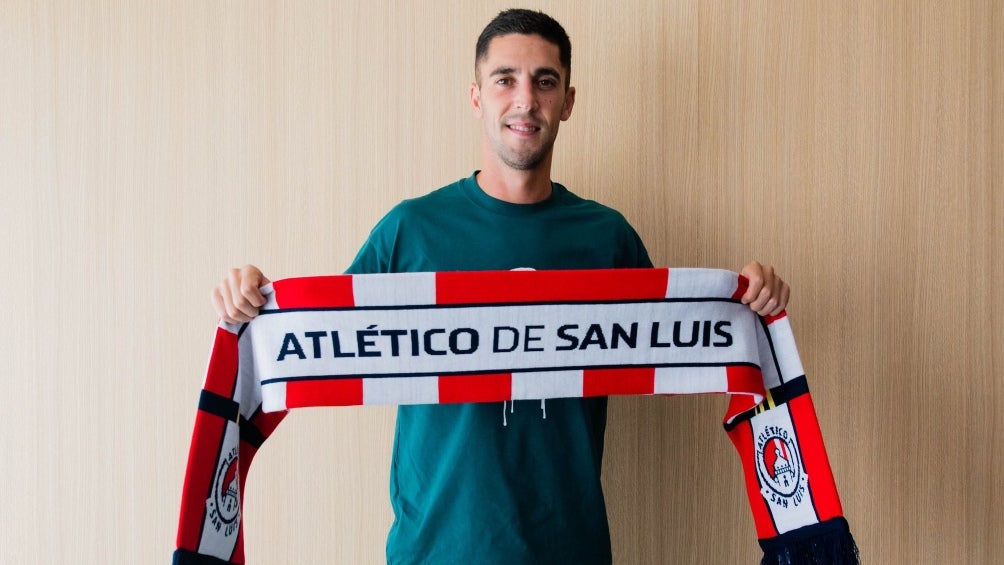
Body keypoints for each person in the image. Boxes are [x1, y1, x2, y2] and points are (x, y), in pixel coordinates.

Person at [211, 9, 789, 565]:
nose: (525, 100)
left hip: (571, 550)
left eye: (545, 81)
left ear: (567, 102)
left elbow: (677, 353)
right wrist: (254, 306)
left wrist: (746, 303)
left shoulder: (607, 238)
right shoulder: (410, 231)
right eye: (505, 79)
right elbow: (321, 351)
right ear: (477, 97)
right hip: (434, 552)